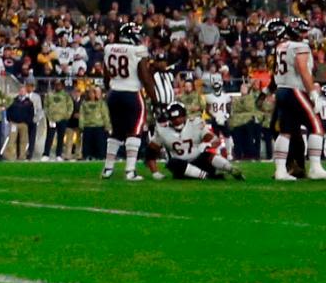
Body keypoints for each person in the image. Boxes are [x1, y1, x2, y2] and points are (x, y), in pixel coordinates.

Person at [269, 18, 326, 182]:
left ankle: (280, 171)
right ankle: (315, 168)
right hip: (295, 90)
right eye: (304, 31)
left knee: (285, 131)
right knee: (317, 126)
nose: (306, 34)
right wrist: (313, 94)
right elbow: (303, 70)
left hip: (282, 90)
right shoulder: (300, 46)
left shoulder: (281, 46)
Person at [98, 23, 164, 180]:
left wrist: (111, 88)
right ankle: (130, 171)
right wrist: (155, 100)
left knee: (116, 132)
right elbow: (145, 78)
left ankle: (107, 169)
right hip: (132, 94)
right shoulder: (138, 50)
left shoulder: (109, 48)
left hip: (114, 94)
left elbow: (106, 75)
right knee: (134, 131)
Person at [153, 101, 243, 180]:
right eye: (173, 119)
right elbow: (150, 152)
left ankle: (230, 168)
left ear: (185, 116)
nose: (177, 121)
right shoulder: (163, 130)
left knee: (208, 155)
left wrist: (207, 144)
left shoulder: (195, 123)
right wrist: (155, 172)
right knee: (172, 162)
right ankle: (207, 176)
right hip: (182, 168)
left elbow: (216, 140)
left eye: (179, 117)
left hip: (199, 162)